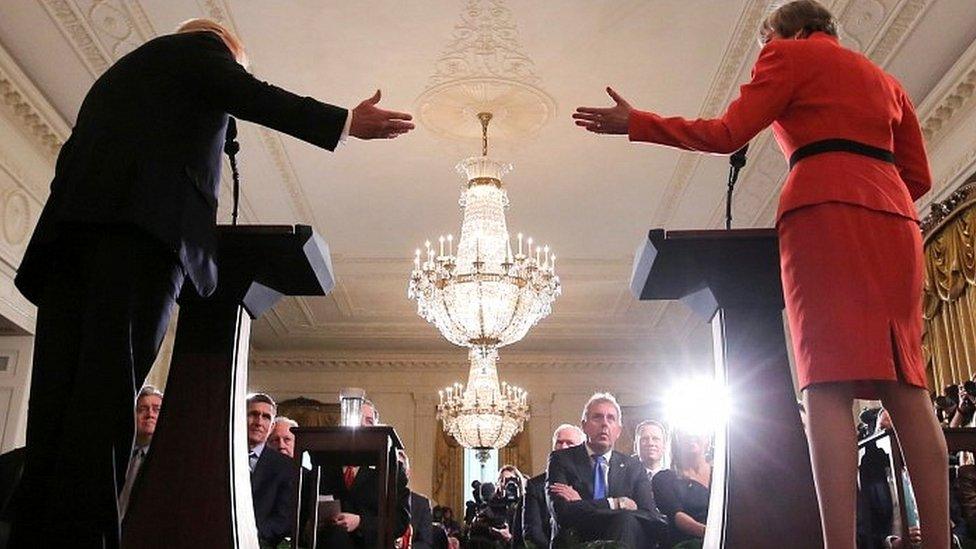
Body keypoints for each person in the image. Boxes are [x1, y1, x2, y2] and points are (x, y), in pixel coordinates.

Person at [9, 16, 414, 548]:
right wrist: (343, 121)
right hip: (138, 244)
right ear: (230, 52)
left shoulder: (119, 77)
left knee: (57, 411)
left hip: (68, 249)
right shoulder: (201, 50)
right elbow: (254, 95)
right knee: (107, 405)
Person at [572, 1, 948, 547]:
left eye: (765, 42)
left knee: (826, 381)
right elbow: (919, 174)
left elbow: (727, 132)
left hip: (822, 214)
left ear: (786, 32)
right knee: (906, 382)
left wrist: (638, 122)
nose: (762, 55)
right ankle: (940, 541)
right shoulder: (885, 80)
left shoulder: (787, 56)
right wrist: (873, 198)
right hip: (896, 222)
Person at [546, 393, 665, 548]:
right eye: (597, 417)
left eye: (611, 418)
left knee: (626, 521)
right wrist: (615, 504)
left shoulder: (633, 466)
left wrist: (582, 504)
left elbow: (650, 516)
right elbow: (563, 513)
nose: (604, 424)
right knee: (625, 518)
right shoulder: (561, 459)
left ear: (618, 430)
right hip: (576, 541)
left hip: (623, 537)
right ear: (584, 425)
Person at [317, 400, 410, 548]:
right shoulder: (323, 464)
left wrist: (360, 522)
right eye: (356, 419)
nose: (361, 426)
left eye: (368, 421)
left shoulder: (392, 469)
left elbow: (400, 522)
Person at [523, 424, 585, 548]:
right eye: (559, 442)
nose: (563, 447)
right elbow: (532, 531)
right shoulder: (535, 485)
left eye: (570, 443)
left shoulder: (591, 481)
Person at [247, 393, 296, 547]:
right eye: (253, 414)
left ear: (272, 426)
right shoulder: (222, 457)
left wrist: (249, 534)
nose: (258, 422)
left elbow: (283, 519)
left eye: (266, 417)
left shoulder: (286, 467)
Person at [651, 429, 711, 548]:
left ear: (707, 439)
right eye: (685, 430)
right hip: (686, 543)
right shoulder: (663, 478)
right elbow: (678, 517)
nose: (691, 433)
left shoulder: (723, 476)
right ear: (677, 439)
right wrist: (711, 534)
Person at [118, 385, 163, 518]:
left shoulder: (168, 462)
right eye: (143, 409)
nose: (150, 414)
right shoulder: (120, 455)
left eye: (157, 410)